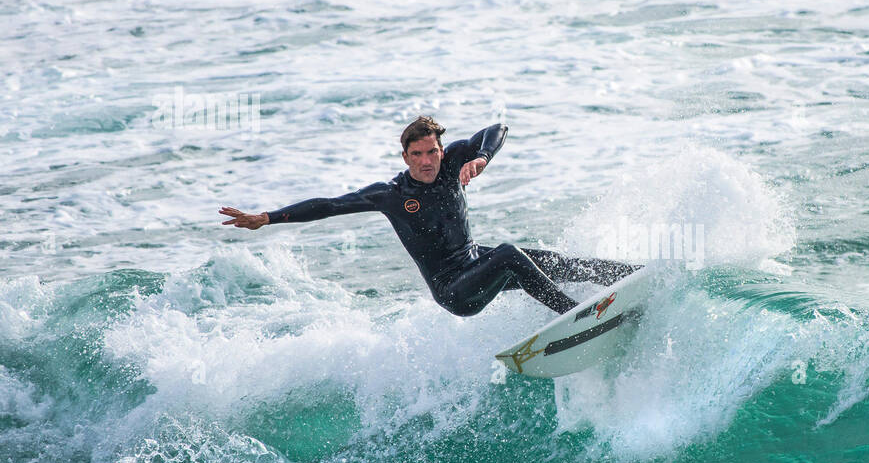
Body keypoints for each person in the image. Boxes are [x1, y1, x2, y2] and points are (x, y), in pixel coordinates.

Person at [219, 117, 639, 316]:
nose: (426, 161)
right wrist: (267, 218)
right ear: (405, 157)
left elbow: (497, 129)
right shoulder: (391, 195)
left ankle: (633, 276)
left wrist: (481, 159)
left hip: (476, 261)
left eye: (432, 152)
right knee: (512, 255)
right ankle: (575, 314)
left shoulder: (455, 162)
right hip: (454, 290)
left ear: (442, 149)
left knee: (549, 260)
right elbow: (329, 205)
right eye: (416, 155)